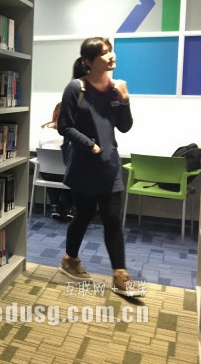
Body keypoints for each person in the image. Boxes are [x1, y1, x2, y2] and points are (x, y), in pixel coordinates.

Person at [57, 37, 137, 296]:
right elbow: (64, 126)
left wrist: (125, 99)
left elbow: (124, 126)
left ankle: (120, 275)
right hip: (84, 166)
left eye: (111, 50)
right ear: (89, 61)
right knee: (84, 216)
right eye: (104, 52)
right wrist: (89, 145)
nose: (111, 55)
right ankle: (70, 259)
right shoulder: (76, 88)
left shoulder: (116, 88)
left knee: (113, 220)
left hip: (110, 166)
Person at [37, 102, 75, 220]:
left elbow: (39, 148)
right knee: (72, 172)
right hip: (66, 176)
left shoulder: (44, 129)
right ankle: (70, 208)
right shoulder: (72, 131)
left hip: (46, 174)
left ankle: (55, 206)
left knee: (53, 170)